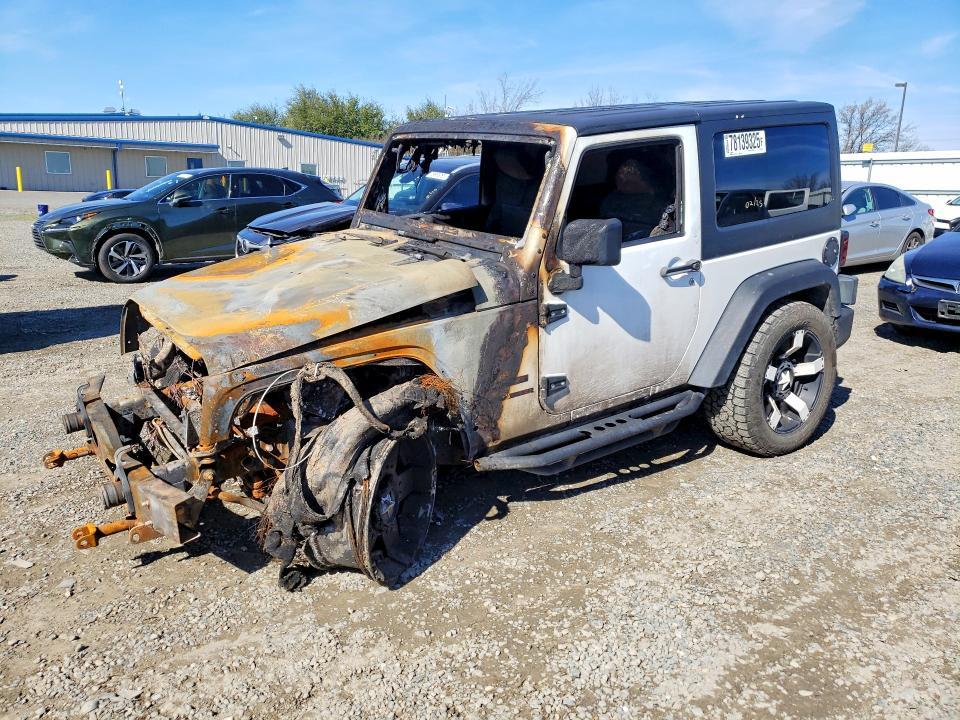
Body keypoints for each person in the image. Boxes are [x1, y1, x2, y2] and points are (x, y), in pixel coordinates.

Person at [599, 159, 665, 239]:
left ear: (640, 179)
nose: (619, 188)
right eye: (618, 182)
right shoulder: (612, 200)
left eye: (626, 183)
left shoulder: (660, 201)